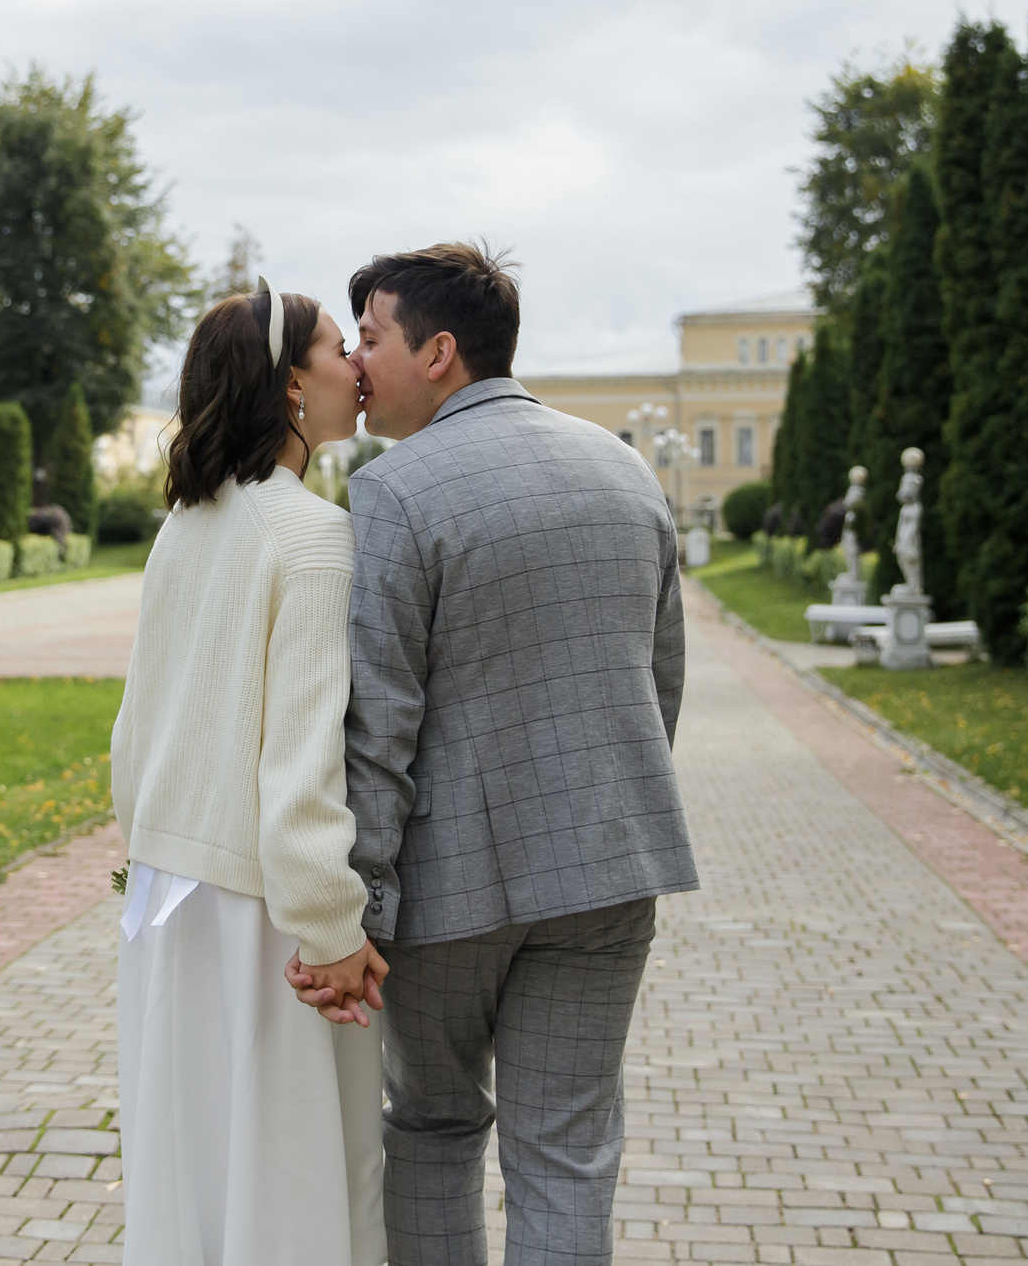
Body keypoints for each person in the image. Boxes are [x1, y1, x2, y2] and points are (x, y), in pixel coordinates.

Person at [291, 241, 697, 1264]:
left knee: (431, 1128)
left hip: (447, 897)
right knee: (566, 1149)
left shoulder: (395, 491)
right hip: (608, 875)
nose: (356, 360)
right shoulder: (625, 469)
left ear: (437, 353)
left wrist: (361, 912)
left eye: (371, 338)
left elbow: (377, 723)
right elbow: (662, 680)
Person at [112, 278, 389, 1266]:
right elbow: (302, 766)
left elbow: (133, 733)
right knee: (294, 1183)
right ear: (286, 388)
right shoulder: (314, 540)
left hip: (165, 897)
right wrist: (333, 930)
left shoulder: (186, 525)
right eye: (334, 352)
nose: (356, 368)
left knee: (191, 1175)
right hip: (263, 914)